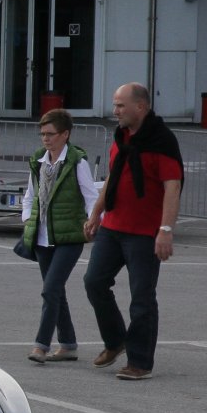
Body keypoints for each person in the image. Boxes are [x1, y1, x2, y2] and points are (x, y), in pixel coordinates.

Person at [83, 83, 184, 381]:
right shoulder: (121, 137)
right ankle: (116, 340)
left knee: (142, 298)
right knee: (94, 282)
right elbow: (113, 176)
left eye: (120, 105)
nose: (115, 111)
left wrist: (165, 230)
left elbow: (173, 187)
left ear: (140, 106)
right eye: (115, 105)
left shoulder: (161, 141)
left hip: (144, 233)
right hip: (113, 227)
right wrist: (96, 212)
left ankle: (140, 362)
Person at [20, 109, 98, 364]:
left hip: (69, 237)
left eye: (50, 134)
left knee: (50, 289)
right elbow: (30, 195)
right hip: (42, 238)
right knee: (56, 292)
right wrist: (27, 220)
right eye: (42, 134)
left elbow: (91, 196)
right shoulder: (38, 160)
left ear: (65, 135)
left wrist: (92, 221)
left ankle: (41, 345)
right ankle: (68, 344)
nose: (46, 139)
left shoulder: (77, 162)